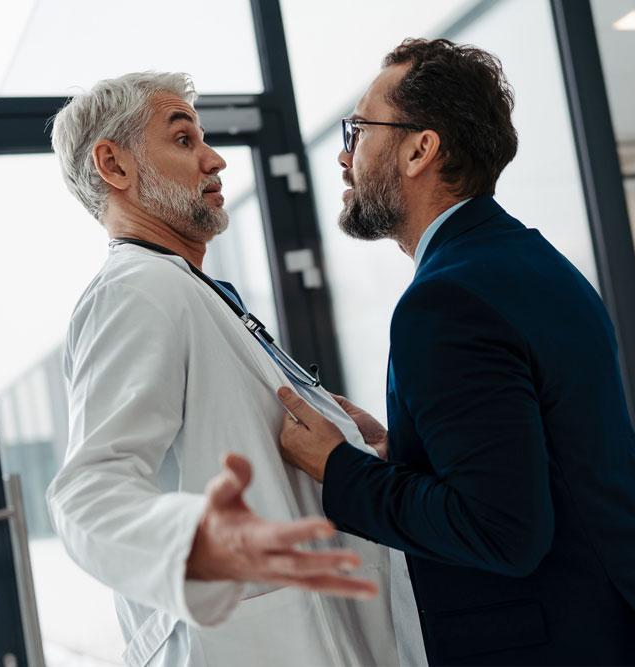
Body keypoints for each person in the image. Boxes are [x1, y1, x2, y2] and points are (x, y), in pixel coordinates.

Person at [277, 39, 635, 666]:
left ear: (420, 149)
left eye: (359, 130)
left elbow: (502, 530)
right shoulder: (531, 262)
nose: (345, 155)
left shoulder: (446, 301)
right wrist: (401, 451)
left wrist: (340, 470)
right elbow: (547, 459)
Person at [46, 72, 424, 666]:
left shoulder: (189, 289)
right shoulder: (136, 292)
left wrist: (354, 444)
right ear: (113, 165)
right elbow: (87, 495)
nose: (215, 159)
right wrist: (195, 544)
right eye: (184, 140)